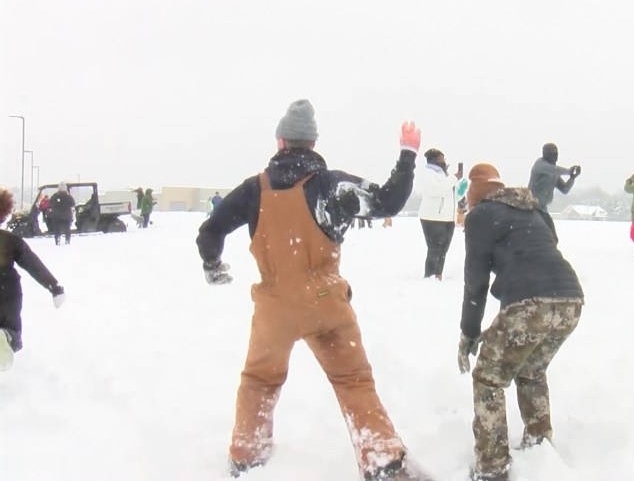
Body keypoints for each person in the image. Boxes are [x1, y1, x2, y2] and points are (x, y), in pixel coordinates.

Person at [196, 99, 429, 480]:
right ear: (313, 143)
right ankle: (382, 460)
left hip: (274, 308)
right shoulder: (330, 185)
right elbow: (389, 201)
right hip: (325, 304)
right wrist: (407, 154)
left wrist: (213, 265)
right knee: (353, 380)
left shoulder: (254, 190)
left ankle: (247, 455)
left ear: (280, 141)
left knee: (259, 379)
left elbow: (211, 231)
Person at [458, 164, 584, 481]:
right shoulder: (533, 209)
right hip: (570, 300)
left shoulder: (481, 215)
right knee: (530, 370)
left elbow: (475, 282)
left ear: (475, 196)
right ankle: (538, 442)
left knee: (489, 378)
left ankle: (492, 466)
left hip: (531, 303)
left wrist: (469, 332)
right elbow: (547, 245)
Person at [0, 188, 66, 371]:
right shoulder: (10, 240)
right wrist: (54, 287)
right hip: (7, 289)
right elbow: (33, 264)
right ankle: (6, 336)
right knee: (11, 331)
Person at [417, 148, 460, 280]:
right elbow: (435, 190)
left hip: (447, 217)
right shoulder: (428, 173)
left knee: (443, 250)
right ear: (434, 160)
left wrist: (460, 187)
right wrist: (453, 178)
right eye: (442, 158)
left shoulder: (444, 175)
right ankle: (430, 276)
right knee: (434, 249)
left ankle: (438, 274)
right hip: (432, 217)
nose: (444, 161)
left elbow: (451, 195)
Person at [527, 143, 580, 237]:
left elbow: (565, 189)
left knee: (552, 238)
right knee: (533, 237)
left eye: (555, 153)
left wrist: (572, 178)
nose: (554, 156)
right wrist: (568, 171)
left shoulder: (554, 172)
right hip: (531, 208)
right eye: (551, 153)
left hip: (543, 210)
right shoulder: (540, 165)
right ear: (544, 154)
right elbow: (552, 169)